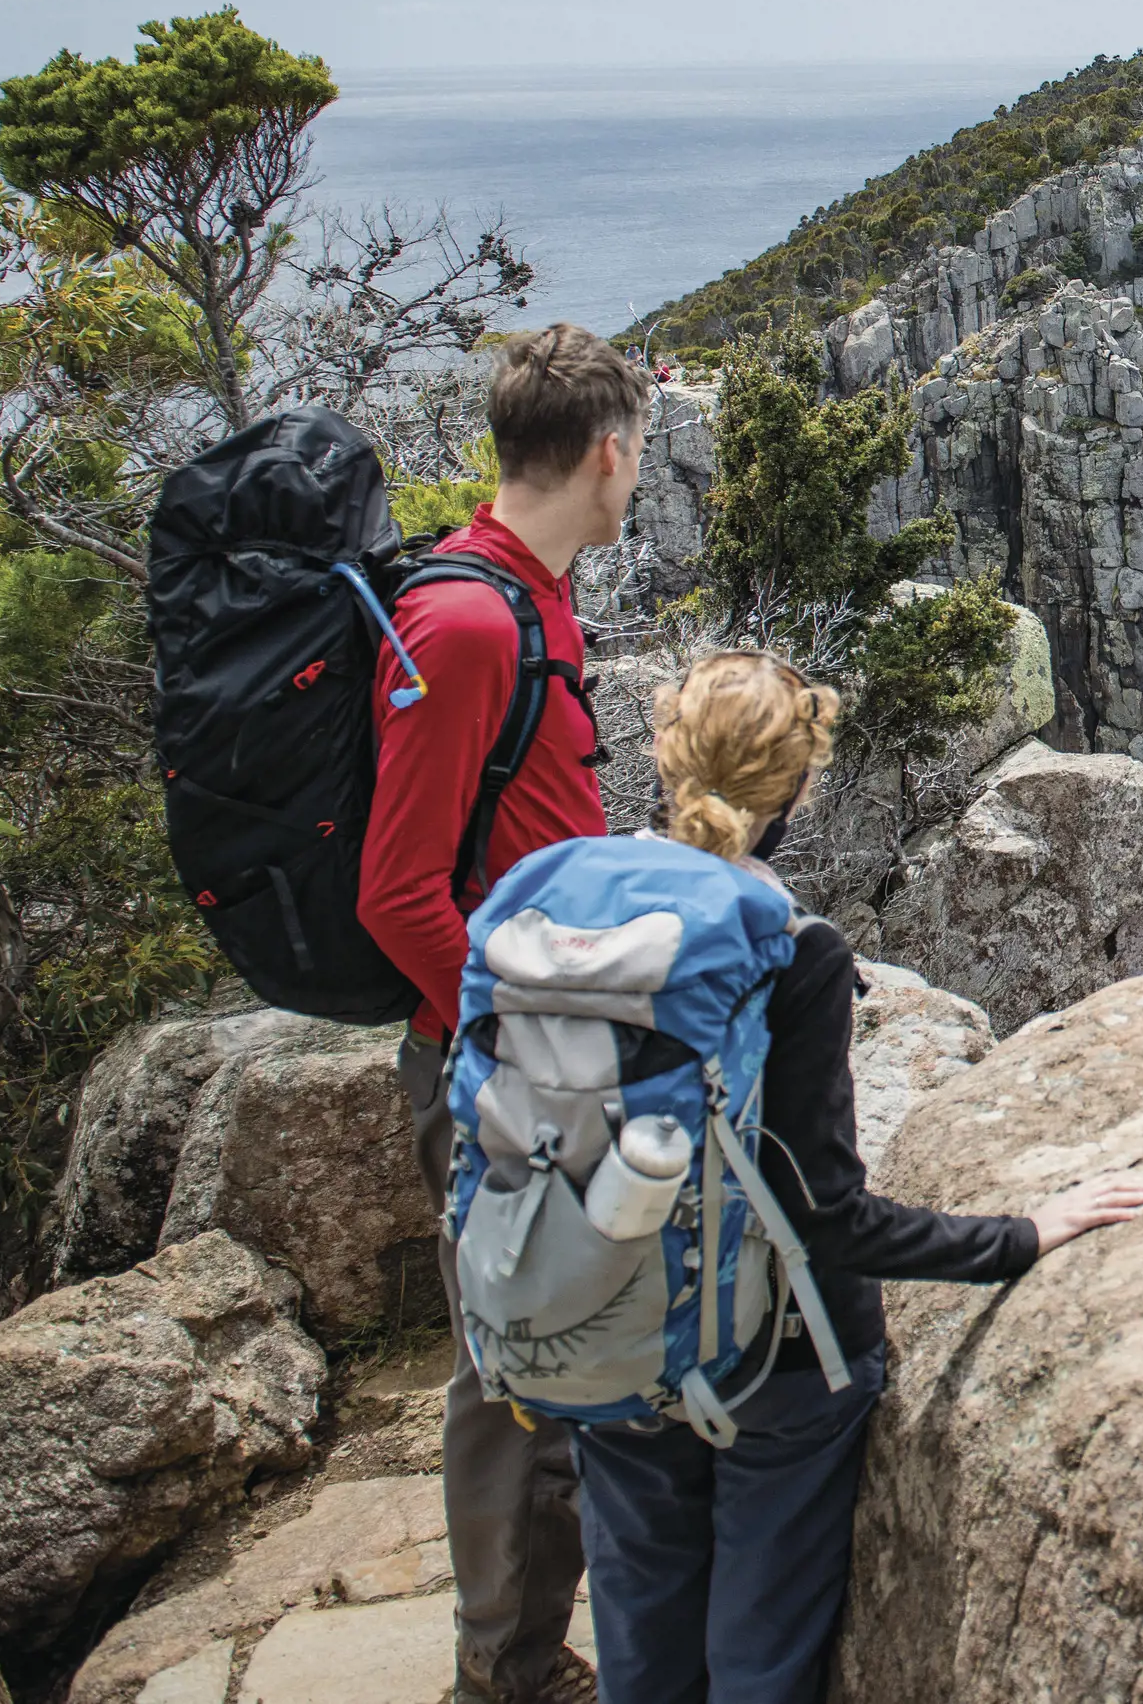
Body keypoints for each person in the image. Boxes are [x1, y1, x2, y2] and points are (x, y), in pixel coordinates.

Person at [577, 650, 1143, 1703]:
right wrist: (1020, 1234)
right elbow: (822, 1214)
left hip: (604, 1334)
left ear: (663, 761)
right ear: (797, 788)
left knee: (640, 1646)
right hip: (773, 1367)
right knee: (756, 1658)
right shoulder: (791, 950)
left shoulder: (573, 901)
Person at [361, 321, 652, 1704]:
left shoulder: (532, 593)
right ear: (609, 452)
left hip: (549, 1035)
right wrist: (502, 1034)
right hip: (502, 1054)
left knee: (554, 1346)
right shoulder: (468, 619)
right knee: (507, 1367)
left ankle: (529, 1653)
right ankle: (506, 1675)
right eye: (639, 450)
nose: (638, 471)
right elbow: (396, 885)